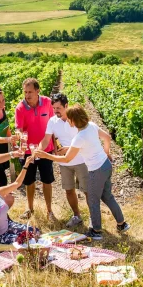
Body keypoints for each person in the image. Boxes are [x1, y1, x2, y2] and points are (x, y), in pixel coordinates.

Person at [33, 104, 130, 241]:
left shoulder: (79, 137)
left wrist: (46, 156)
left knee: (93, 199)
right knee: (107, 196)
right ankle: (122, 224)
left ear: (74, 120)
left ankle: (96, 231)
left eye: (69, 119)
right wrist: (106, 153)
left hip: (96, 170)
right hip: (106, 165)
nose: (68, 121)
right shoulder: (91, 126)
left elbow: (66, 158)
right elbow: (107, 137)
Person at [38, 93, 88, 228]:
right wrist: (38, 150)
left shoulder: (76, 119)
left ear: (66, 105)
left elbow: (84, 138)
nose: (55, 111)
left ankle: (94, 218)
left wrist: (69, 149)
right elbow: (46, 139)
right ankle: (77, 215)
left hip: (81, 159)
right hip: (64, 162)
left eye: (58, 108)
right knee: (69, 189)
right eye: (54, 108)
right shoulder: (52, 121)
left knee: (87, 190)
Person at [15, 78, 57, 222]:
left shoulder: (47, 102)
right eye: (25, 92)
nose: (27, 95)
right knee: (29, 181)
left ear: (38, 91)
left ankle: (49, 211)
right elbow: (18, 129)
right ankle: (30, 208)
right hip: (28, 151)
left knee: (47, 180)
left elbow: (53, 125)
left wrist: (56, 146)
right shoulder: (20, 107)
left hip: (46, 149)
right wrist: (20, 136)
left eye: (30, 92)